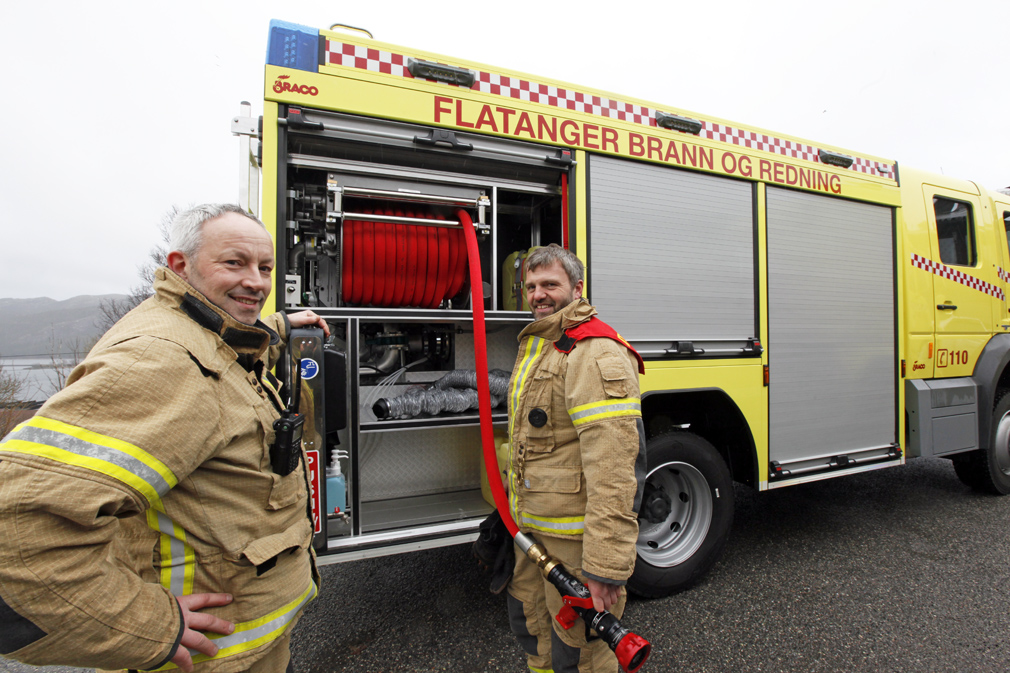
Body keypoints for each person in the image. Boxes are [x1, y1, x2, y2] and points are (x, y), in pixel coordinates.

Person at [0, 204, 330, 672]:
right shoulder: (163, 363)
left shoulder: (199, 328)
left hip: (249, 650)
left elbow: (223, 345)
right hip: (208, 659)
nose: (256, 281)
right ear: (180, 265)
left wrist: (277, 326)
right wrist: (146, 626)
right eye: (233, 263)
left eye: (265, 267)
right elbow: (14, 533)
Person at [505, 243, 646, 673]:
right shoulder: (544, 344)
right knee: (532, 630)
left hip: (577, 547)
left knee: (581, 654)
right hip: (533, 536)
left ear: (577, 288)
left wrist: (605, 565)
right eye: (531, 286)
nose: (538, 294)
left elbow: (615, 469)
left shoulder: (594, 352)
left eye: (550, 284)